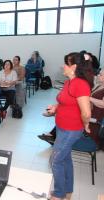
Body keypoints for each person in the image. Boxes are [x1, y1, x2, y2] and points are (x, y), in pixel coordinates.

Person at [46, 53, 93, 200]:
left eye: (65, 63)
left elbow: (86, 112)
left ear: (73, 67)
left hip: (71, 129)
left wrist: (86, 125)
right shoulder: (68, 82)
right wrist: (55, 108)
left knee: (55, 160)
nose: (62, 66)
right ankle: (68, 192)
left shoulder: (80, 84)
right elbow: (64, 102)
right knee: (65, 159)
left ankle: (58, 194)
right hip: (62, 126)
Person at [39, 69, 104, 149]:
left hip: (93, 119)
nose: (98, 76)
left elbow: (102, 104)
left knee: (68, 114)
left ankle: (54, 129)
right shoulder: (99, 85)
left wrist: (87, 98)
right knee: (67, 108)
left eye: (100, 75)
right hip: (88, 111)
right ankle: (54, 121)